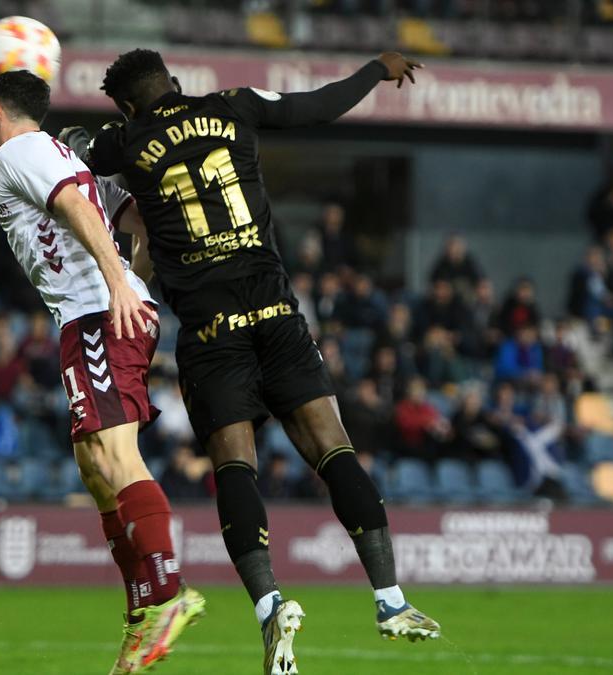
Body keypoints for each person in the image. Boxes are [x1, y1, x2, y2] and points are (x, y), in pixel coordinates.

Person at [76, 48, 440, 674]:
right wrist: (375, 70)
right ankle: (391, 600)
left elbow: (68, 156)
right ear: (177, 82)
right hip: (276, 315)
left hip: (212, 333)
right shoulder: (235, 106)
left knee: (235, 468)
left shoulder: (126, 140)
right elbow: (318, 106)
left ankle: (270, 605)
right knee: (335, 451)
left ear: (129, 104)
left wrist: (74, 135)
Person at [0, 70, 204, 674]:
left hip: (97, 311)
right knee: (94, 468)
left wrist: (117, 288)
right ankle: (139, 615)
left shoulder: (18, 150)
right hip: (96, 313)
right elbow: (142, 223)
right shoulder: (64, 154)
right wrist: (134, 282)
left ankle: (169, 592)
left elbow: (74, 206)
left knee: (113, 456)